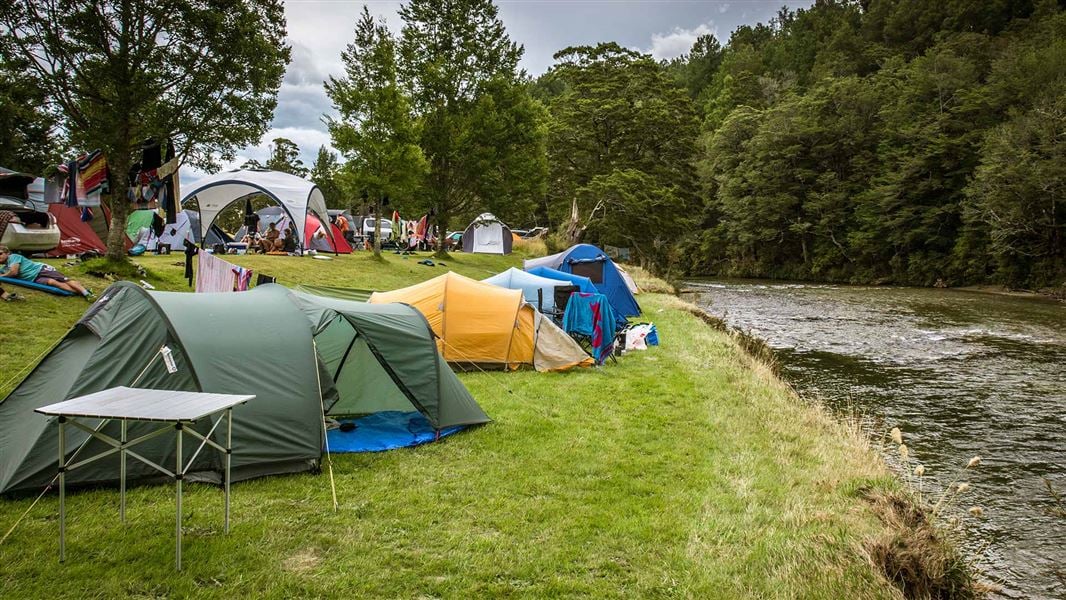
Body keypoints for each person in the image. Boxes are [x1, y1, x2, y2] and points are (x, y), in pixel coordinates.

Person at [0, 244, 93, 299]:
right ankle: (81, 292)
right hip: (34, 278)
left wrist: (3, 276)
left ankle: (86, 293)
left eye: (0, 253)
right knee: (53, 282)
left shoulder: (13, 257)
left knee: (65, 280)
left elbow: (14, 272)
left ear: (7, 253)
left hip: (40, 269)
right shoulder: (4, 268)